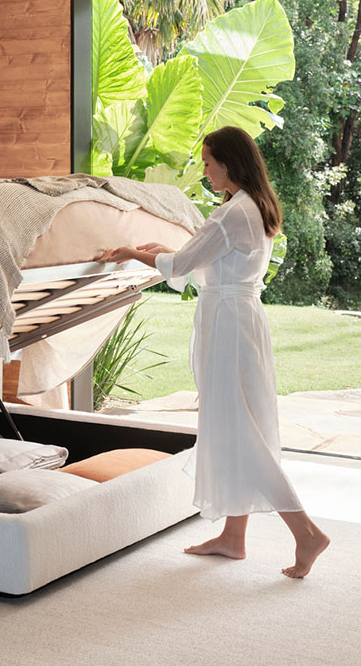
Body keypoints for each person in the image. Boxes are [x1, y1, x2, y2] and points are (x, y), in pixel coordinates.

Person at [98, 126, 329, 578]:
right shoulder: (249, 208)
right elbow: (210, 263)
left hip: (228, 325)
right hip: (240, 320)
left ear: (229, 162)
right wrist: (166, 250)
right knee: (237, 425)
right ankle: (233, 537)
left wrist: (130, 251)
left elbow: (184, 266)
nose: (204, 171)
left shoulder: (233, 213)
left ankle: (305, 532)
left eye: (207, 163)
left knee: (240, 431)